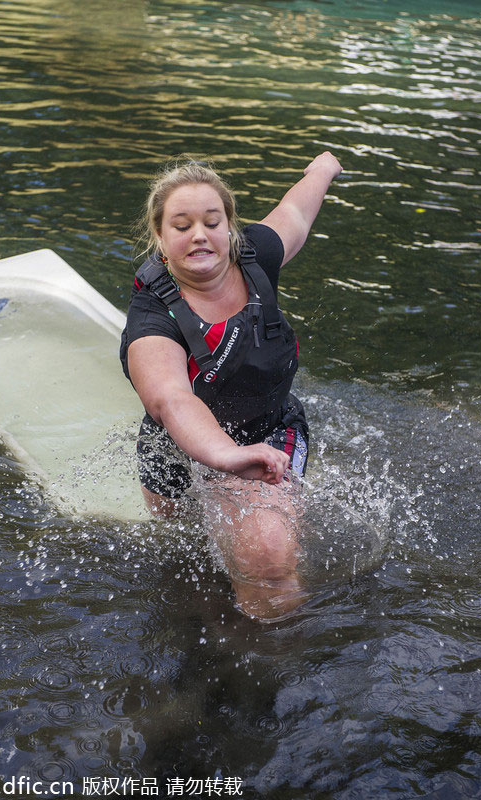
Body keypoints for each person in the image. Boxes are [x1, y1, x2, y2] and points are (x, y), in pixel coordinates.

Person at [120, 152, 342, 620]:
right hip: (175, 448)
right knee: (184, 552)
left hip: (269, 429)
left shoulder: (256, 256)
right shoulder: (151, 317)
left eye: (211, 221)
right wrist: (224, 455)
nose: (199, 234)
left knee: (267, 558)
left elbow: (296, 213)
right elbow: (171, 399)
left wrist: (323, 169)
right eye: (182, 225)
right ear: (160, 238)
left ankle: (276, 650)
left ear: (230, 228)